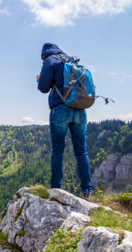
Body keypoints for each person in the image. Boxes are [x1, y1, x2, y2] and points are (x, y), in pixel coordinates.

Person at [36, 43, 92, 200]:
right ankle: (87, 190)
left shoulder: (50, 61)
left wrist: (40, 78)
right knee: (81, 150)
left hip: (60, 109)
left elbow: (43, 88)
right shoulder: (71, 60)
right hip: (80, 108)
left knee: (58, 149)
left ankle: (55, 189)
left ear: (43, 55)